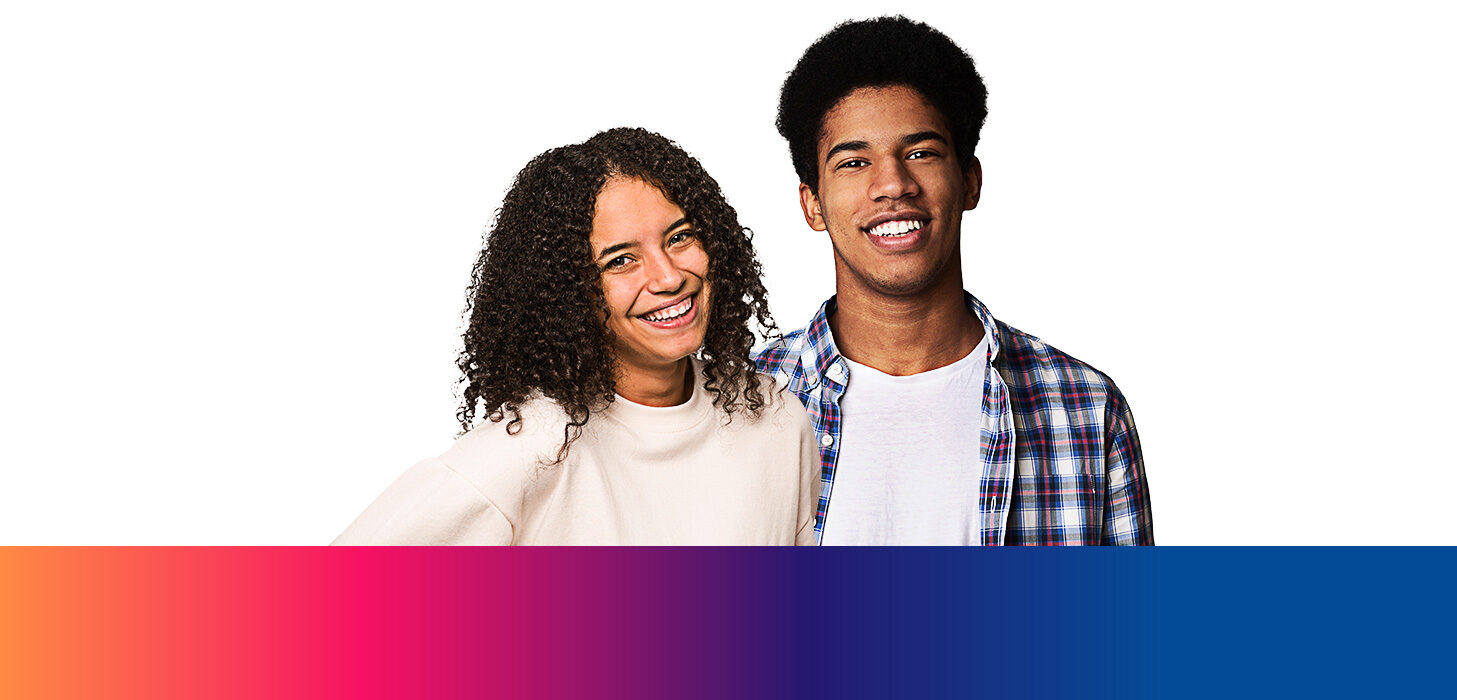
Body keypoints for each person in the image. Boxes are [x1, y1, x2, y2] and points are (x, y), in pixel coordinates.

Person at [756, 16, 1153, 545]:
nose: (893, 183)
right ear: (812, 204)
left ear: (969, 180)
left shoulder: (1084, 410)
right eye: (853, 161)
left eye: (921, 153)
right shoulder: (743, 407)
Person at [336, 127, 819, 545]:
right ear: (569, 290)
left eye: (679, 237)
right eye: (620, 261)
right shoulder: (533, 446)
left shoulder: (775, 419)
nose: (668, 276)